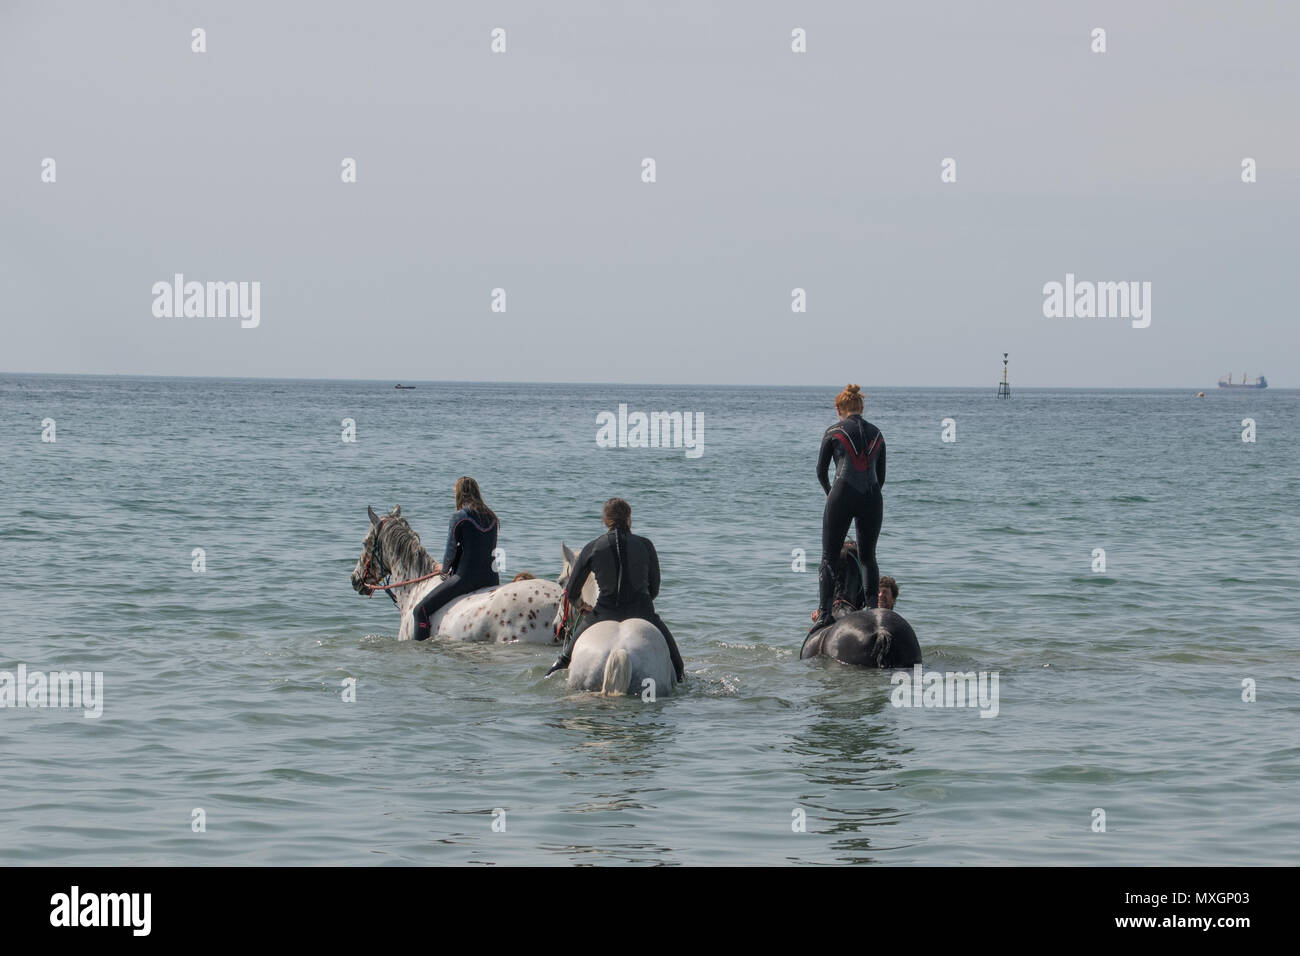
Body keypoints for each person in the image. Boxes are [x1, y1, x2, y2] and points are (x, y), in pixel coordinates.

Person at [545, 498, 685, 681]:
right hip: (641, 611)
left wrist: (582, 608)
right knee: (677, 664)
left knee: (564, 658)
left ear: (605, 520)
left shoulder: (592, 547)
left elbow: (571, 592)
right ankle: (682, 676)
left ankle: (554, 670)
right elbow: (654, 589)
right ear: (629, 519)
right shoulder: (646, 545)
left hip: (604, 612)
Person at [810, 384, 886, 635]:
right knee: (868, 557)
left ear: (838, 408)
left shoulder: (833, 431)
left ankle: (824, 615)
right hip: (873, 498)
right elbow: (881, 476)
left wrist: (831, 495)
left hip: (841, 494)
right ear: (861, 407)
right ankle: (873, 611)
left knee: (829, 557)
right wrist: (869, 497)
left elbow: (821, 472)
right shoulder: (877, 433)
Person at [410, 476, 500, 641]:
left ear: (459, 494)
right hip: (492, 578)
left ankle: (420, 653)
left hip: (466, 579)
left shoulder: (460, 516)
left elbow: (450, 551)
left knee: (419, 611)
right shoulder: (493, 518)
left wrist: (443, 569)